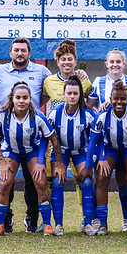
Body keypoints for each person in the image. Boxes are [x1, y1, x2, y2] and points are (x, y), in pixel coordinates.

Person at [0, 37, 51, 233]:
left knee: (36, 181)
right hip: (10, 141)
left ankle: (33, 219)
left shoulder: (41, 71)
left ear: (29, 53)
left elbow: (60, 83)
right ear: (10, 53)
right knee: (6, 180)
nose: (20, 53)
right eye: (16, 50)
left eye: (23, 50)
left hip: (32, 139)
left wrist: (79, 74)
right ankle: (4, 221)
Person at [0, 82, 64, 236]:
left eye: (25, 97)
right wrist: (2, 161)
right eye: (18, 98)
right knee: (5, 183)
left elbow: (53, 139)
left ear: (30, 99)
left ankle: (47, 225)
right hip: (11, 151)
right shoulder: (3, 115)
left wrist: (54, 163)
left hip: (32, 151)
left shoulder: (37, 116)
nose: (21, 101)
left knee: (41, 182)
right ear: (12, 99)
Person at [85, 80, 127, 236]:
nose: (119, 102)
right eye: (116, 98)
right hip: (109, 149)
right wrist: (88, 166)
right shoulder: (102, 116)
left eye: (123, 99)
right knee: (101, 178)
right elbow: (93, 141)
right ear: (110, 98)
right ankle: (102, 224)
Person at [42, 39, 93, 233]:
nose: (66, 63)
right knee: (53, 180)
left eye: (70, 59)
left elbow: (92, 104)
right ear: (58, 61)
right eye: (63, 59)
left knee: (85, 181)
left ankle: (87, 220)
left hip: (80, 143)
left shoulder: (84, 81)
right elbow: (39, 101)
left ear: (75, 60)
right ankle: (52, 221)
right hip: (57, 143)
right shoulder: (48, 81)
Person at [89, 48, 127, 231]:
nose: (115, 65)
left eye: (118, 62)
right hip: (106, 142)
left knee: (125, 180)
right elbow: (89, 105)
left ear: (124, 64)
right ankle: (101, 222)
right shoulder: (99, 82)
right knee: (101, 178)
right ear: (106, 64)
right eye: (111, 62)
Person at [47, 76, 97, 236]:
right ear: (64, 94)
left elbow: (96, 140)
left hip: (81, 151)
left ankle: (87, 223)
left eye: (76, 93)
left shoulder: (88, 115)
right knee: (57, 181)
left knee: (87, 181)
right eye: (69, 93)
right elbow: (45, 138)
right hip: (60, 151)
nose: (72, 96)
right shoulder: (55, 113)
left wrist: (88, 164)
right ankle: (59, 224)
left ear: (80, 95)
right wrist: (56, 163)